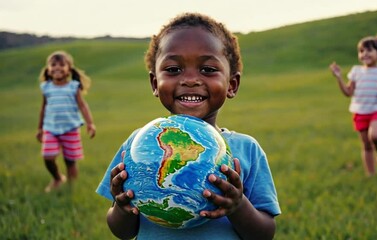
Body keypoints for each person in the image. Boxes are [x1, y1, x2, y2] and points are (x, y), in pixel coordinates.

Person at [96, 13, 281, 239]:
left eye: (208, 70)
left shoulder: (247, 149)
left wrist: (238, 206)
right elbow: (123, 232)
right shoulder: (138, 146)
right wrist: (122, 209)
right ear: (155, 83)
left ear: (232, 84)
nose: (190, 79)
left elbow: (265, 233)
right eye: (174, 70)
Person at [329, 35, 377, 176]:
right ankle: (371, 175)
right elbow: (348, 92)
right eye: (361, 51)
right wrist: (339, 78)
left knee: (376, 136)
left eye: (369, 50)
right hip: (360, 112)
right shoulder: (356, 72)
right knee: (366, 145)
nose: (364, 53)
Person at [37, 50, 96, 192]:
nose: (57, 67)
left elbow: (83, 105)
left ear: (68, 69)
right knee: (48, 156)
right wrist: (40, 128)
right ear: (48, 70)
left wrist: (90, 123)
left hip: (70, 129)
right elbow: (43, 108)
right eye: (53, 64)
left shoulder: (73, 87)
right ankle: (58, 178)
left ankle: (71, 187)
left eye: (61, 64)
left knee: (70, 161)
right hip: (50, 128)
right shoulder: (46, 87)